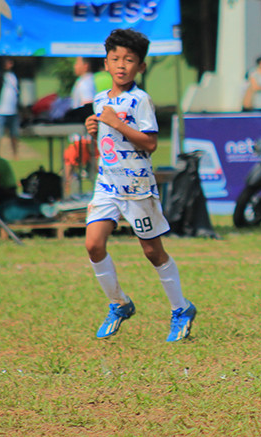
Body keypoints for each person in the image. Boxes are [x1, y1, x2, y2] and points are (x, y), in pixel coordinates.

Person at [84, 28, 197, 342]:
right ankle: (118, 303)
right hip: (107, 184)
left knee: (152, 251)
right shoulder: (98, 100)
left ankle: (181, 308)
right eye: (115, 59)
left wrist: (117, 123)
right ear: (105, 64)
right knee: (93, 244)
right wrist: (94, 126)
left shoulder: (140, 100)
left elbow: (149, 143)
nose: (122, 65)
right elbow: (108, 137)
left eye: (130, 60)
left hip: (138, 188)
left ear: (141, 67)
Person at [64, 56, 101, 193]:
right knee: (92, 167)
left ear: (86, 66)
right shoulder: (85, 81)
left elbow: (88, 106)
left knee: (70, 161)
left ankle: (65, 192)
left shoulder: (86, 83)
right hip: (83, 134)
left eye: (77, 63)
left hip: (83, 136)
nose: (75, 66)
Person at [0, 58, 21, 157]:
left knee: (14, 135)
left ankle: (15, 154)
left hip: (13, 111)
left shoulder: (14, 76)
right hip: (0, 110)